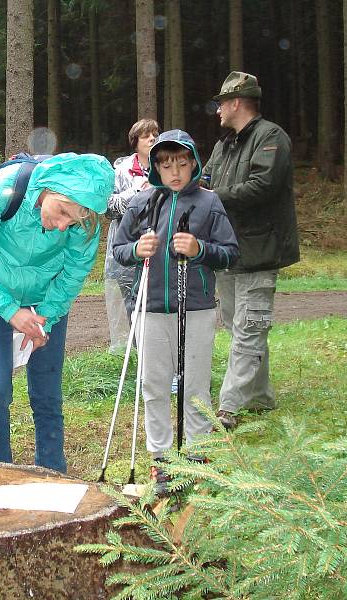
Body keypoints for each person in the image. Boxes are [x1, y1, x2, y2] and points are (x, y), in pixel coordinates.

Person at [0, 153, 114, 473]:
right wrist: (11, 312)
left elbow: (73, 272)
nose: (62, 226)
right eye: (61, 213)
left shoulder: (85, 220)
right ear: (49, 189)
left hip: (44, 303)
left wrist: (47, 318)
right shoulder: (4, 191)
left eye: (71, 222)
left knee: (47, 392)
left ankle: (53, 471)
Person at [112, 130, 238, 493]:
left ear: (194, 163)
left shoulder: (209, 203)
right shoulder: (143, 202)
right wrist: (137, 250)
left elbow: (230, 253)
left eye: (183, 164)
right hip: (150, 307)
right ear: (155, 166)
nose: (176, 172)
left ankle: (197, 454)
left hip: (196, 305)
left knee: (195, 383)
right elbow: (119, 248)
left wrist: (200, 249)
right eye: (167, 165)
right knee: (153, 382)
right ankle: (162, 458)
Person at [202, 72, 299, 429]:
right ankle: (259, 396)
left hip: (259, 251)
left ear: (236, 103)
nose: (218, 111)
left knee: (249, 327)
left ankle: (228, 408)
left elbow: (263, 186)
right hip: (228, 251)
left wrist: (212, 199)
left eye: (221, 104)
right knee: (240, 326)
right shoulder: (223, 145)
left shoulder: (271, 138)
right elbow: (205, 180)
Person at [105, 118, 159, 353]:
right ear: (135, 141)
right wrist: (138, 192)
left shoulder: (166, 166)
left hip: (160, 245)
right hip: (128, 245)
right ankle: (140, 355)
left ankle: (160, 353)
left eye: (156, 134)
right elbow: (108, 207)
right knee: (133, 303)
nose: (152, 138)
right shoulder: (120, 171)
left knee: (158, 301)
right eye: (146, 135)